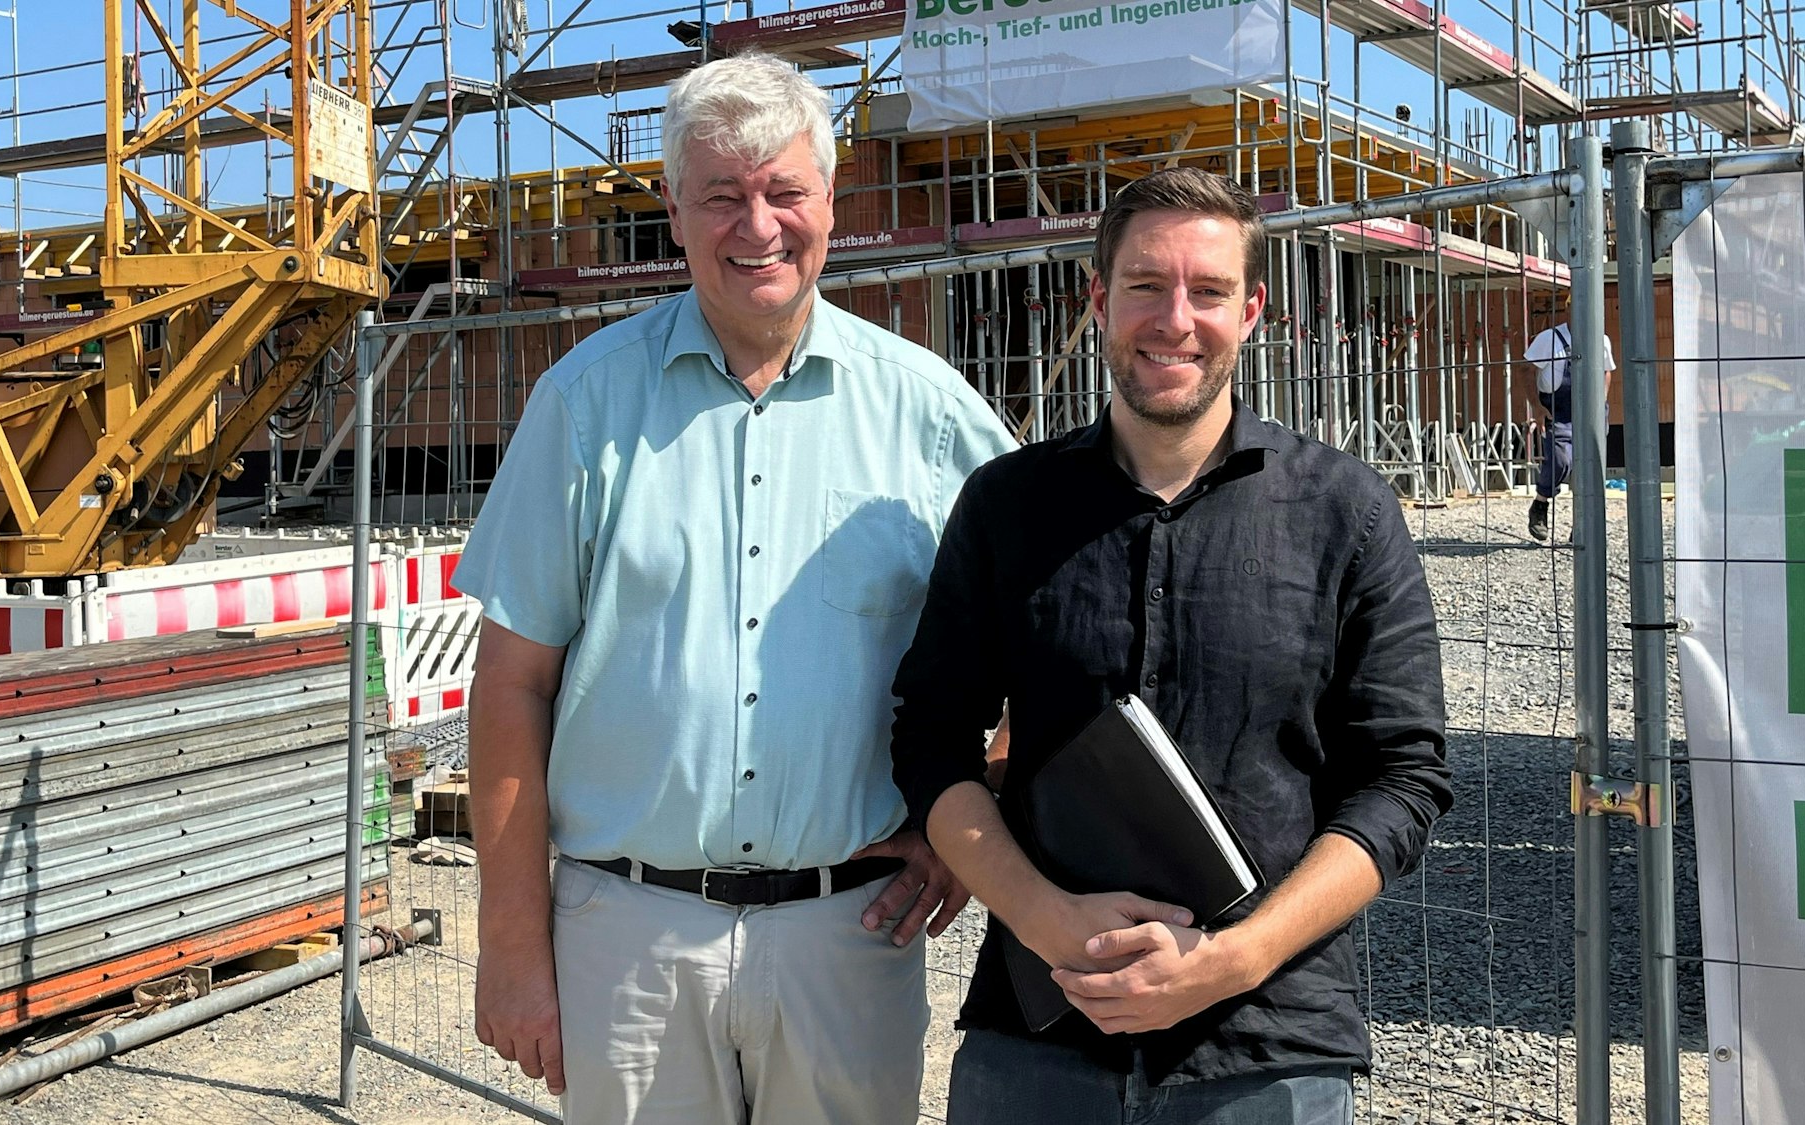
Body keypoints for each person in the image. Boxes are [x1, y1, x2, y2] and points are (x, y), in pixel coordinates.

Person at [449, 51, 1016, 1125]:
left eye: (783, 191)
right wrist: (512, 949)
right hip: (628, 937)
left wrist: (974, 816)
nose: (756, 225)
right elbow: (512, 685)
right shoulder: (583, 407)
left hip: (847, 939)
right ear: (672, 212)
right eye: (721, 196)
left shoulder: (927, 413)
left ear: (830, 204)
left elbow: (1052, 629)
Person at [889, 167, 1452, 1125]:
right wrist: (1040, 914)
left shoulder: (1344, 513)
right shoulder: (1008, 506)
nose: (1175, 319)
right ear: (1101, 301)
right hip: (1038, 1045)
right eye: (1147, 285)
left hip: (1267, 1050)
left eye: (1209, 290)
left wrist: (1239, 954)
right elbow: (931, 737)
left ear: (1254, 309)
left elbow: (1403, 776)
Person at [1525, 303, 1616, 541]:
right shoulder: (1549, 339)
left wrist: (1601, 402)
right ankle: (1541, 503)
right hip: (1558, 409)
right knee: (1561, 459)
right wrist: (1537, 406)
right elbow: (1526, 370)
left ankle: (1582, 527)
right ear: (1568, 310)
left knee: (1588, 468)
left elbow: (1607, 371)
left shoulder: (1601, 340)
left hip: (1590, 412)